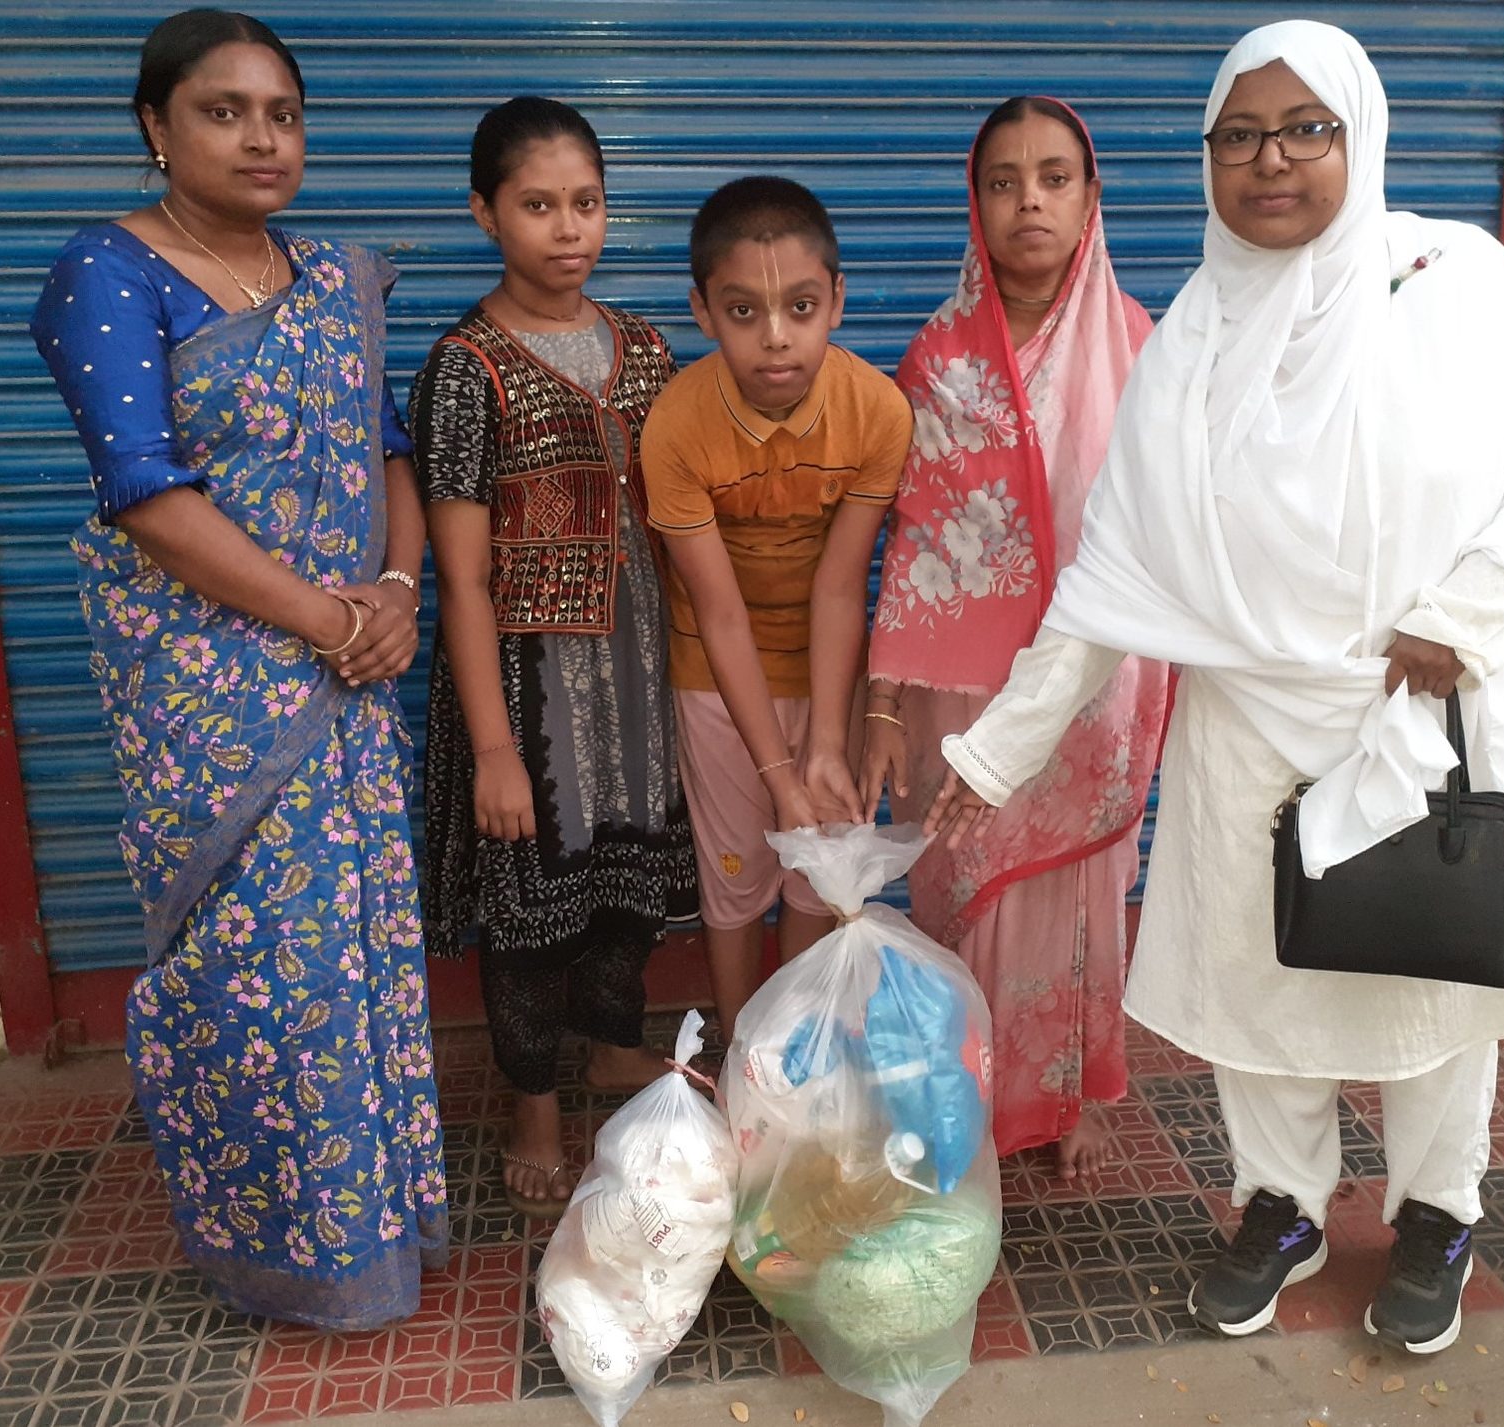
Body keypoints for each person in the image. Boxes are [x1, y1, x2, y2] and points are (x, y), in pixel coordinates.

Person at [926, 20, 1504, 1355]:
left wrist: (1466, 608)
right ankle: (1281, 1200)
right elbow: (1110, 572)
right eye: (1238, 135)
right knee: (1256, 972)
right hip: (1252, 715)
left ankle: (1437, 1210)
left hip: (1433, 706)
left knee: (1438, 966)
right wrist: (992, 752)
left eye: (1306, 130)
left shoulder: (1453, 282)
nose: (1269, 161)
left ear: (1359, 138)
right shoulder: (1191, 338)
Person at [29, 8, 447, 1328]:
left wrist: (397, 590)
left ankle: (378, 1226)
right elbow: (146, 492)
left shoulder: (329, 281)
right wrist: (327, 619)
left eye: (283, 114)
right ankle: (286, 1246)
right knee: (255, 967)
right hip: (211, 696)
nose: (264, 138)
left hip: (347, 673)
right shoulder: (108, 272)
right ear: (155, 127)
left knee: (354, 948)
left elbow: (388, 452)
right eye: (225, 111)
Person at [861, 97, 1170, 1183]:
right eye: (1003, 181)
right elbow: (915, 537)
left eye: (1052, 177)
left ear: (1090, 197)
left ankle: (1070, 1093)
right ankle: (970, 1090)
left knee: (1083, 896)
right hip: (965, 689)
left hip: (1094, 679)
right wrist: (884, 702)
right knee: (966, 886)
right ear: (976, 203)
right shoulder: (939, 358)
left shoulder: (1142, 345)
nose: (1028, 201)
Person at [411, 97, 698, 1219]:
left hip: (639, 675)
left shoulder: (648, 348)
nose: (568, 227)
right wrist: (493, 748)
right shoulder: (465, 369)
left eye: (586, 202)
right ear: (484, 213)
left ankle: (611, 1046)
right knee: (530, 906)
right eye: (537, 204)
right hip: (527, 693)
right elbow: (461, 578)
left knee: (629, 881)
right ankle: (532, 1102)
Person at [641, 176, 913, 1039]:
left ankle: (790, 1046)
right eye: (742, 311)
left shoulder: (877, 411)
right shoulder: (676, 425)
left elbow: (840, 584)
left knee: (812, 874)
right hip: (713, 674)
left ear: (836, 299)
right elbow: (718, 613)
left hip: (827, 667)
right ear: (702, 311)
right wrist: (777, 774)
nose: (775, 337)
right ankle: (738, 1047)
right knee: (733, 882)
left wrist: (825, 746)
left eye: (800, 306)